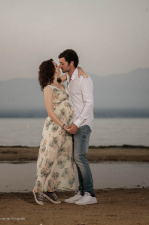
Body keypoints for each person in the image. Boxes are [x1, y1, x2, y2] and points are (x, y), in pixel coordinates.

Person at [33, 58, 87, 205]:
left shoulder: (60, 81)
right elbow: (50, 112)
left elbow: (71, 73)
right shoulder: (48, 88)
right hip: (54, 129)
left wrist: (80, 70)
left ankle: (49, 190)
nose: (58, 67)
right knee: (48, 159)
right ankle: (38, 190)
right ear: (50, 70)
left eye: (58, 65)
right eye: (56, 66)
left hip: (66, 130)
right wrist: (63, 125)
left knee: (59, 159)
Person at [58, 49, 97, 205]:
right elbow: (56, 78)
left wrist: (77, 123)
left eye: (62, 63)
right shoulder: (70, 77)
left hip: (83, 124)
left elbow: (89, 104)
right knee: (76, 158)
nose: (60, 66)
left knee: (80, 158)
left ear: (71, 63)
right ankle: (81, 192)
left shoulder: (83, 79)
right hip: (74, 124)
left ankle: (90, 194)